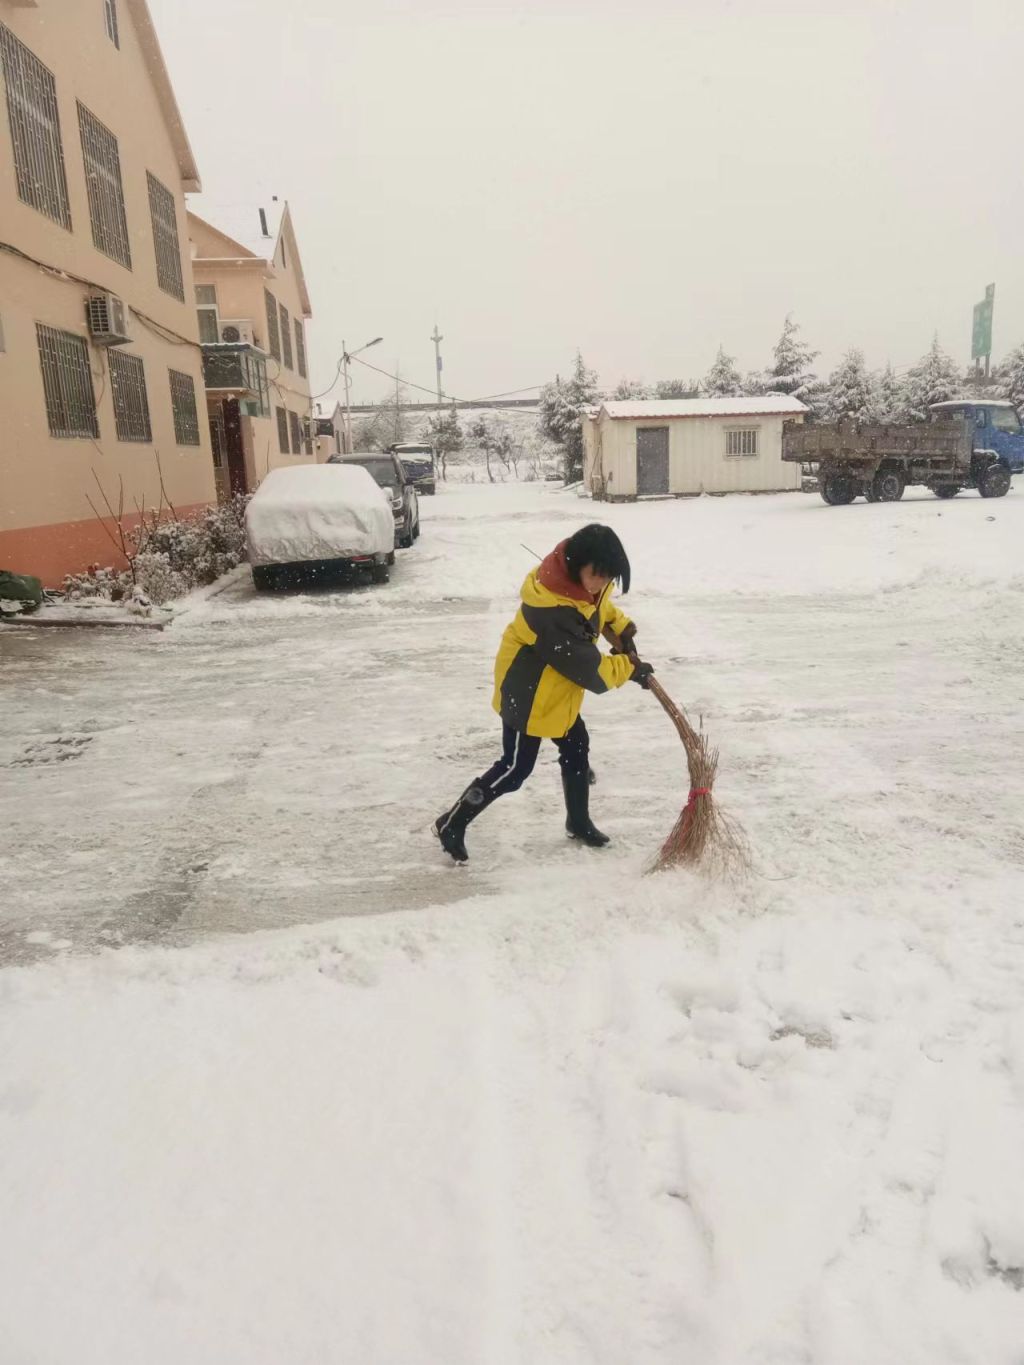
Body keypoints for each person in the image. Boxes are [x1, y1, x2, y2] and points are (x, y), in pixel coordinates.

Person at [433, 523, 654, 863]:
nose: (600, 584)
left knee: (577, 745)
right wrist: (631, 668)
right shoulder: (552, 611)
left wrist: (623, 629)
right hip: (529, 691)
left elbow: (600, 608)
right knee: (514, 769)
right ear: (578, 563)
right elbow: (594, 674)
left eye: (607, 577)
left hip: (556, 689)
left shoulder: (582, 584)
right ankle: (452, 821)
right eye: (596, 575)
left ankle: (578, 821)